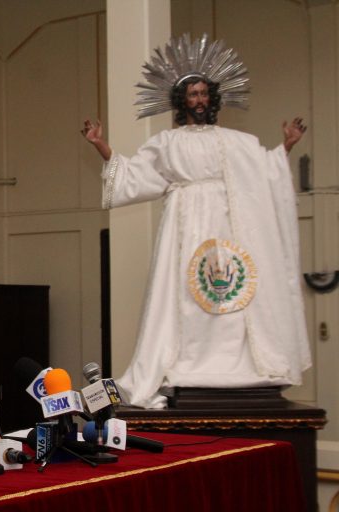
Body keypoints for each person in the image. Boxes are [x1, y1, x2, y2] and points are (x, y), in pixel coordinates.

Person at [82, 33, 312, 409]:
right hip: (184, 221)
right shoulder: (168, 143)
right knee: (184, 290)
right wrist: (101, 146)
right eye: (193, 95)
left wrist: (286, 146)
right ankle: (185, 360)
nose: (200, 100)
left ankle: (237, 361)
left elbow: (264, 169)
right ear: (182, 101)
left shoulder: (236, 140)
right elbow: (136, 174)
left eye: (204, 93)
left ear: (213, 98)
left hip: (229, 223)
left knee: (234, 287)